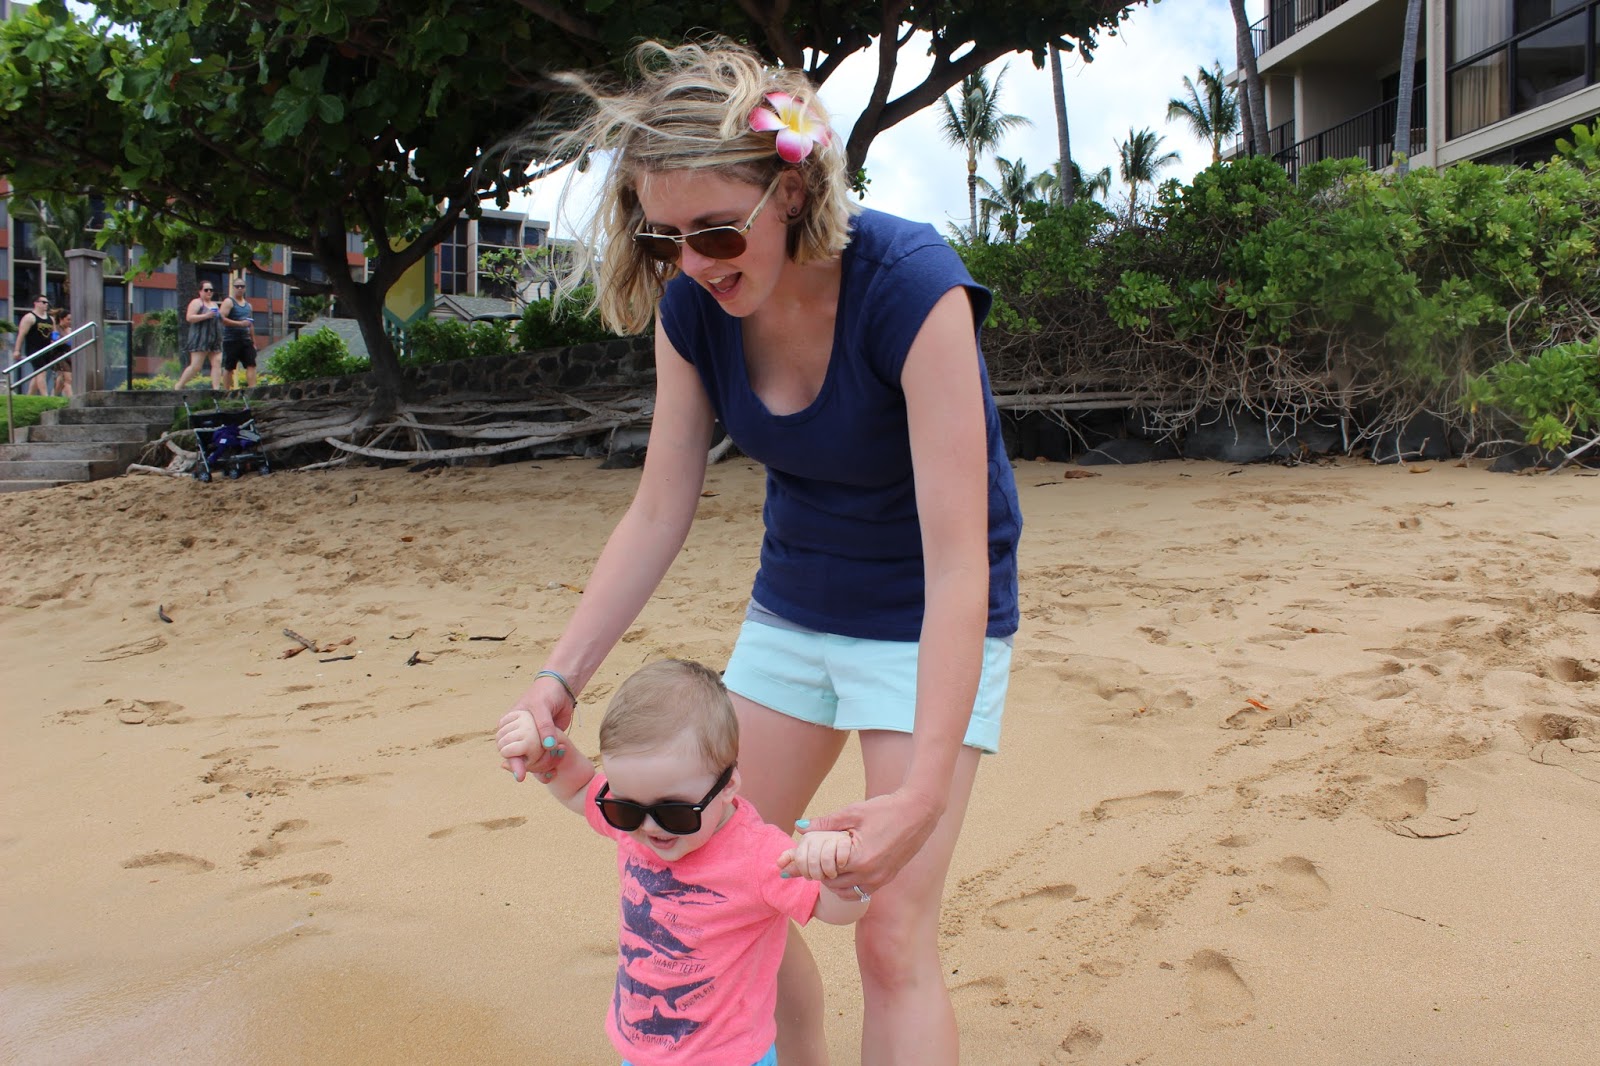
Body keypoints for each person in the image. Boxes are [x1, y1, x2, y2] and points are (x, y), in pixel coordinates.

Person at [495, 40, 1021, 1066]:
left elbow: (961, 559)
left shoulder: (913, 288)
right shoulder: (693, 309)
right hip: (794, 605)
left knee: (889, 930)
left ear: (791, 190)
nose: (694, 262)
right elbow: (659, 509)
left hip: (925, 618)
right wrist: (559, 679)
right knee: (719, 877)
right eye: (666, 238)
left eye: (717, 230)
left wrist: (918, 797)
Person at [499, 659, 867, 1065]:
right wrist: (549, 757)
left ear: (727, 785)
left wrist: (836, 865)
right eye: (625, 807)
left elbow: (834, 910)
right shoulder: (635, 822)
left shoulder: (758, 854)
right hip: (640, 1048)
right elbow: (582, 787)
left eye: (674, 812)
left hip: (727, 1057)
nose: (649, 826)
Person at [175, 281, 222, 390]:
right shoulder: (196, 303)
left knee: (217, 362)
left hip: (214, 338)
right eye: (206, 290)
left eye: (211, 290)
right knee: (196, 366)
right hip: (200, 338)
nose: (209, 292)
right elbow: (189, 317)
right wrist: (206, 315)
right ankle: (179, 385)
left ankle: (216, 389)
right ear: (200, 291)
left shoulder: (214, 304)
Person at [218, 278, 258, 389]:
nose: (240, 288)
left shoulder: (248, 306)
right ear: (233, 287)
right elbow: (221, 318)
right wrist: (240, 324)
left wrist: (253, 342)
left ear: (245, 288)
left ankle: (252, 389)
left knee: (251, 364)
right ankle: (226, 392)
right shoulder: (229, 302)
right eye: (237, 286)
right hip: (231, 340)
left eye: (242, 286)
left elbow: (250, 324)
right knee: (229, 367)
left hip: (246, 340)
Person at [11, 295, 54, 397]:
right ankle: (45, 396)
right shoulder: (29, 317)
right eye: (43, 302)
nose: (46, 305)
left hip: (46, 349)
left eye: (47, 303)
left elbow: (54, 333)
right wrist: (17, 350)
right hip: (34, 349)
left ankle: (29, 396)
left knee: (37, 373)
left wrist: (55, 341)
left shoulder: (51, 319)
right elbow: (21, 334)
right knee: (41, 372)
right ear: (36, 303)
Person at [50, 310, 73, 398]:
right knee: (68, 379)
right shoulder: (57, 329)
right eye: (68, 319)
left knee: (61, 379)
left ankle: (53, 397)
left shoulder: (71, 330)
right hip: (60, 355)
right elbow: (53, 341)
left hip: (69, 355)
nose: (70, 322)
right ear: (61, 319)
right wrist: (64, 340)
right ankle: (71, 399)